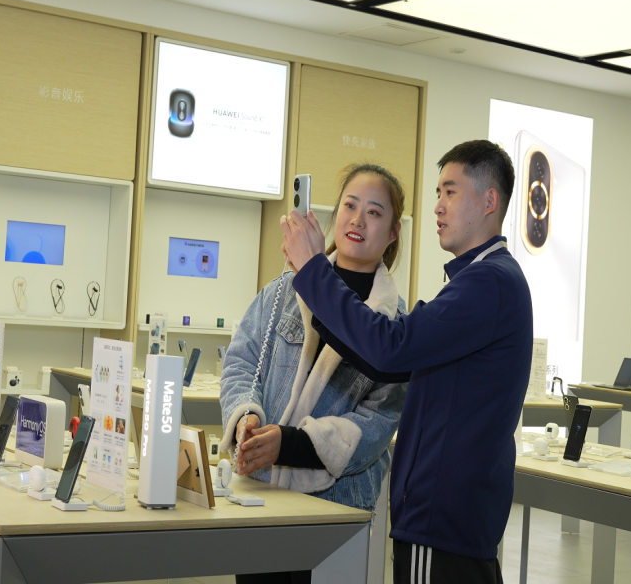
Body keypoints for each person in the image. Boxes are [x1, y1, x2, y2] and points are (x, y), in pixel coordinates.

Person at [282, 140, 532, 584]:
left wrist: (314, 271)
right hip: (450, 519)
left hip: (441, 520)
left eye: (450, 192)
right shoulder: (482, 280)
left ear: (489, 201)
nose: (438, 206)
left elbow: (391, 348)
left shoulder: (488, 282)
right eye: (438, 193)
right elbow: (390, 361)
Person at [220, 163, 410, 584]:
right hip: (261, 492)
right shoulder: (284, 290)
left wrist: (291, 444)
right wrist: (247, 416)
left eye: (374, 212)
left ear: (394, 232)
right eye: (350, 206)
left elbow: (379, 421)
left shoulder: (395, 325)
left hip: (336, 506)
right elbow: (241, 361)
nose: (358, 220)